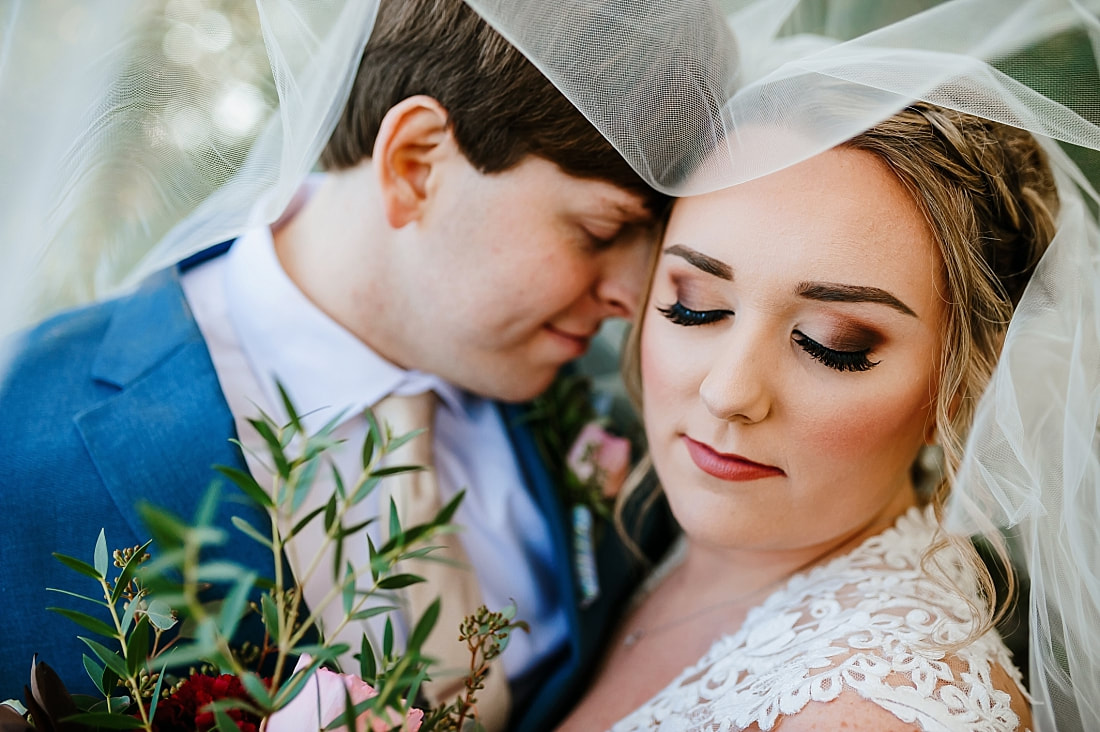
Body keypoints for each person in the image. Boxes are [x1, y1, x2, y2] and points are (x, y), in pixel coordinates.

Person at [0, 1, 711, 728]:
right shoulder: (20, 438)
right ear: (416, 163)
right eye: (601, 230)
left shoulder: (619, 409)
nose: (634, 296)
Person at [559, 104, 1058, 730]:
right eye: (696, 306)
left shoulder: (882, 707)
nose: (728, 392)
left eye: (832, 344)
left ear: (955, 392)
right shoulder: (643, 536)